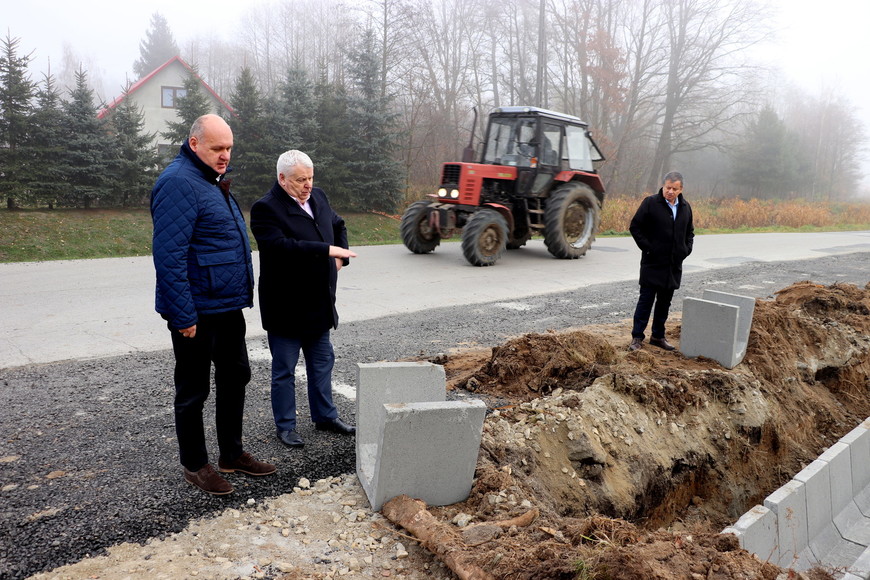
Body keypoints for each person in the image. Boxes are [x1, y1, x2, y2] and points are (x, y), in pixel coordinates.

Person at [151, 114, 276, 495]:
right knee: (193, 390)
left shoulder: (208, 179)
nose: (225, 156)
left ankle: (231, 454)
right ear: (194, 144)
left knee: (235, 376)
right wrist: (182, 313)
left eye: (229, 148)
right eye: (217, 148)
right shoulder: (178, 182)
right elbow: (168, 255)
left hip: (225, 306)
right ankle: (195, 464)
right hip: (196, 311)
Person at [250, 150, 358, 448]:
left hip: (319, 304)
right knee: (284, 370)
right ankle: (286, 426)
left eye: (310, 178)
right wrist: (326, 250)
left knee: (322, 363)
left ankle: (325, 416)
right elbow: (279, 247)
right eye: (300, 179)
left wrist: (341, 258)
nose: (307, 185)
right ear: (282, 179)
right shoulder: (265, 208)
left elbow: (338, 225)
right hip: (286, 306)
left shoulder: (318, 197)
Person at [628, 171, 694, 352]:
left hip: (673, 265)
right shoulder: (650, 203)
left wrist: (685, 250)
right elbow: (635, 227)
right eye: (668, 187)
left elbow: (690, 232)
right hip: (652, 262)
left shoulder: (685, 207)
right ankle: (637, 337)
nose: (670, 191)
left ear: (681, 189)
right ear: (663, 186)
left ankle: (657, 336)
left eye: (674, 188)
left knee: (664, 303)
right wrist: (648, 248)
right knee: (646, 301)